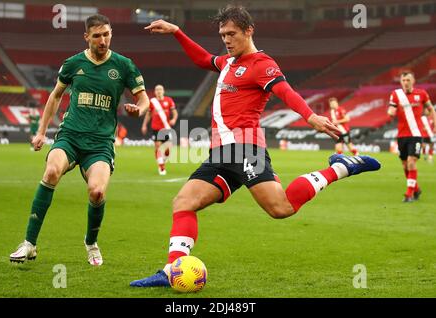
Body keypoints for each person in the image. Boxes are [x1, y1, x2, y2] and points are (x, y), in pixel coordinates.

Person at [130, 5, 380, 287]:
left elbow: (285, 91)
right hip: (221, 154)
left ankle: (340, 168)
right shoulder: (228, 63)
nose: (226, 39)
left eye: (232, 34)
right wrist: (177, 32)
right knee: (184, 202)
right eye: (223, 34)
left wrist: (310, 117)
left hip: (247, 150)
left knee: (281, 208)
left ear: (249, 31)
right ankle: (171, 270)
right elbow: (203, 59)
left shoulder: (262, 64)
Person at [9, 14, 150, 266]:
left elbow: (144, 99)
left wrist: (139, 109)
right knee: (51, 171)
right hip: (70, 136)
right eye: (97, 36)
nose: (103, 40)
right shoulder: (73, 64)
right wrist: (42, 132)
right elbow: (55, 96)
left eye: (106, 34)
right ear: (86, 37)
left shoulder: (124, 65)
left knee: (97, 192)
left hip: (100, 144)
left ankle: (91, 242)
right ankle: (29, 244)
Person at [387, 71, 435, 202]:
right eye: (403, 80)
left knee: (411, 162)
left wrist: (434, 123)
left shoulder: (422, 94)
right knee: (405, 165)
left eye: (408, 80)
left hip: (416, 134)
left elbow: (431, 108)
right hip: (402, 135)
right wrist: (390, 112)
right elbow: (391, 109)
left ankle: (409, 194)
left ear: (413, 81)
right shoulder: (396, 94)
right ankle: (416, 189)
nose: (405, 82)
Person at [141, 84, 178, 175]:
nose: (158, 91)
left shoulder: (169, 100)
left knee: (168, 150)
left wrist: (173, 119)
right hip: (156, 128)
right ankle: (161, 167)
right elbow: (148, 114)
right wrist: (144, 125)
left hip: (166, 128)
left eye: (160, 89)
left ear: (163, 91)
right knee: (158, 147)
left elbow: (175, 113)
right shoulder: (152, 102)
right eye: (157, 90)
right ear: (155, 92)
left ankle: (161, 160)